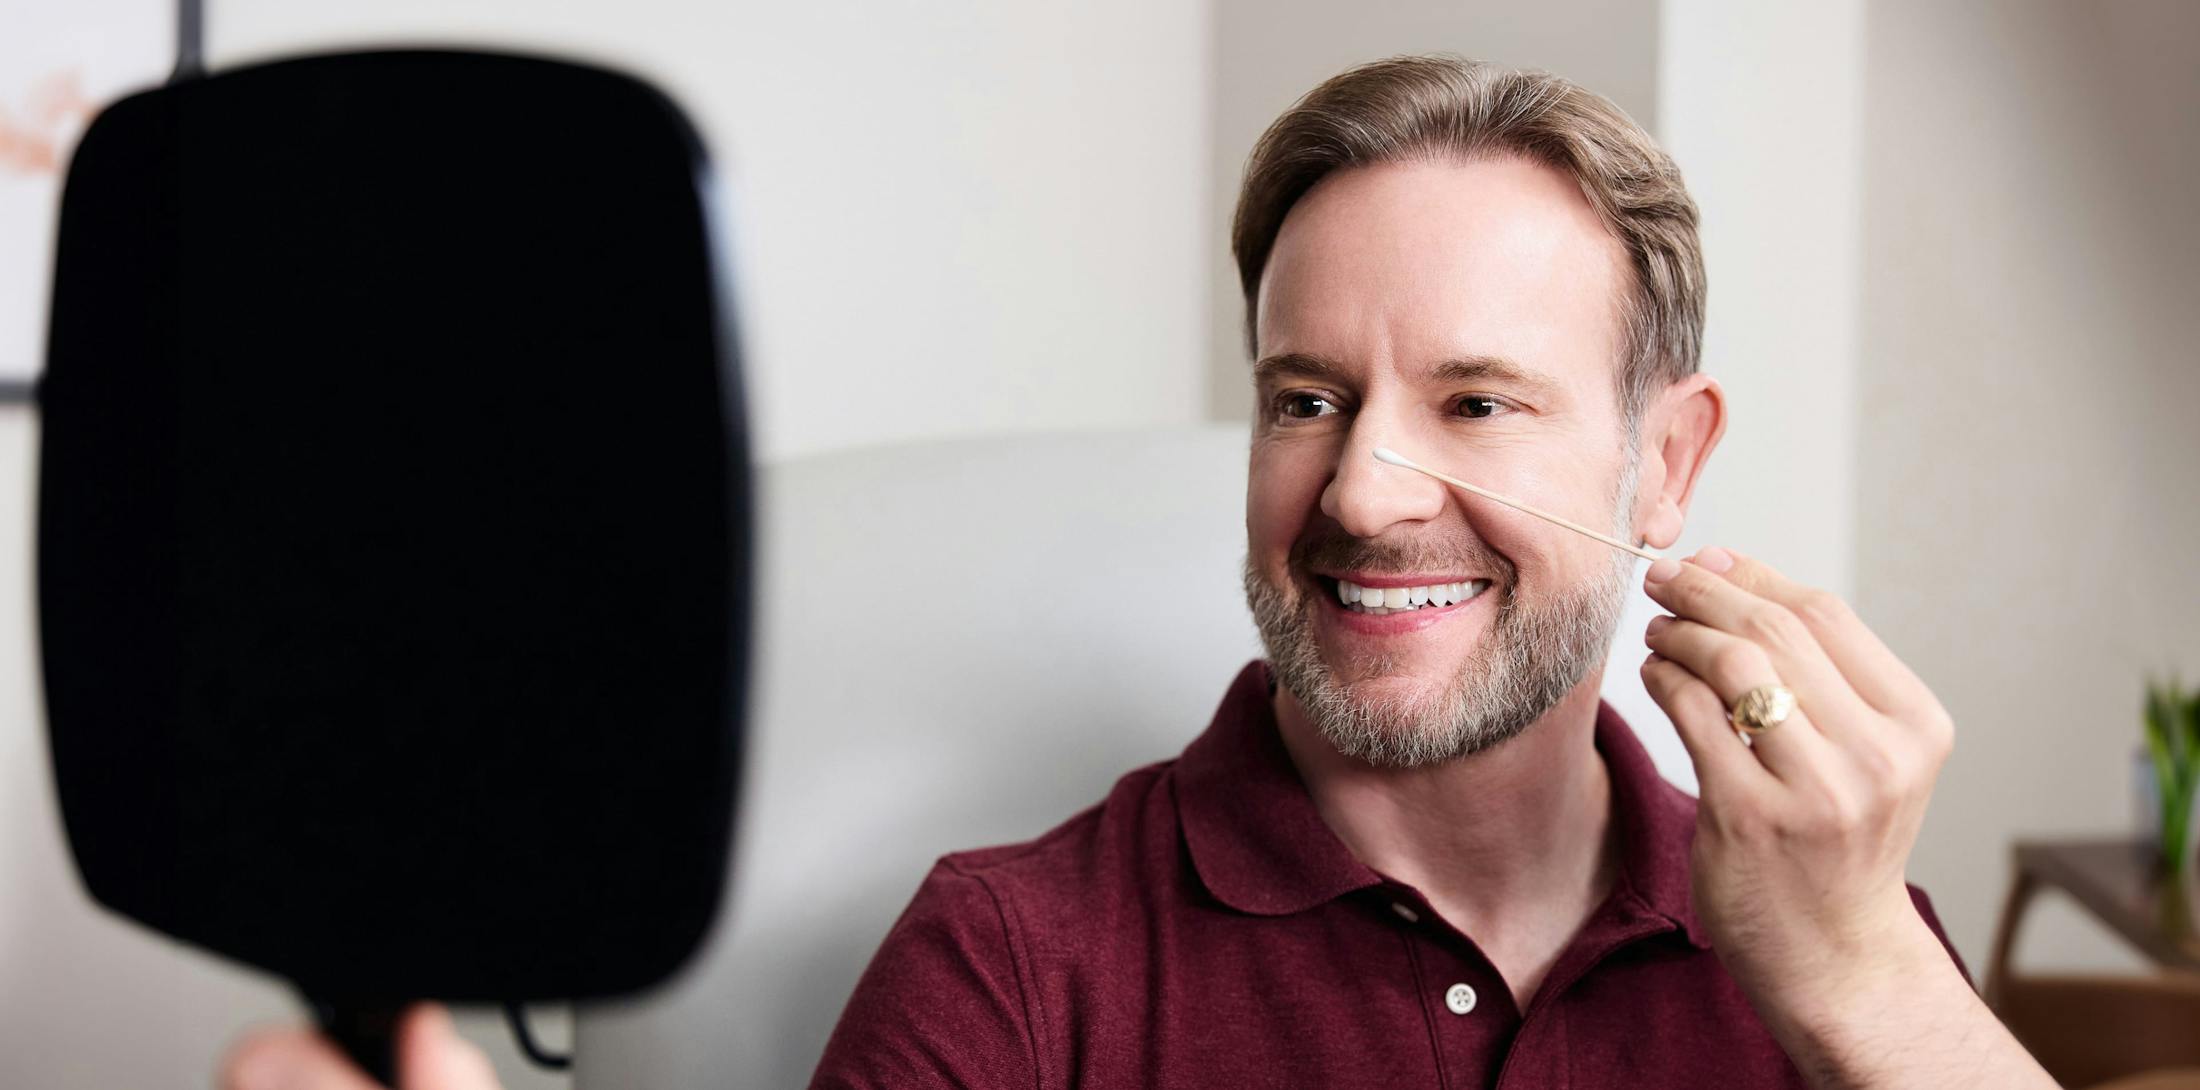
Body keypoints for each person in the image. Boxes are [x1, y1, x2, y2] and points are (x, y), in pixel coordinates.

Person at [222, 55, 2059, 1090]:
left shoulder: (1830, 927)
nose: (1363, 492)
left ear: (1663, 463)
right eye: (1306, 399)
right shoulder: (1013, 969)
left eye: (1477, 401)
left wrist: (1873, 990)